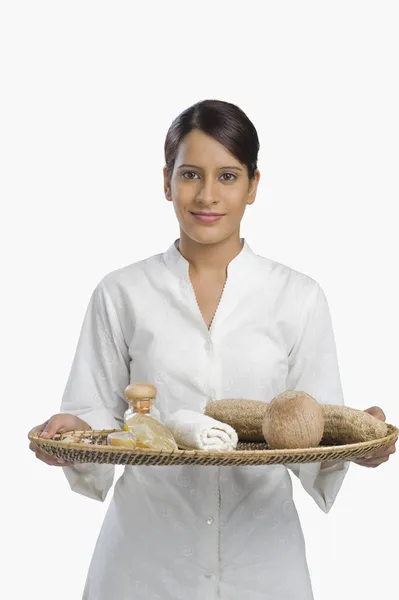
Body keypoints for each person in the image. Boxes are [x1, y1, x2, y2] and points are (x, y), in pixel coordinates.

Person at [29, 99, 396, 600]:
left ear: (253, 185)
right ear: (165, 181)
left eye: (227, 176)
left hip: (264, 565)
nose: (207, 195)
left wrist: (362, 445)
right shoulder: (122, 292)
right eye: (190, 174)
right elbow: (94, 414)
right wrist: (73, 430)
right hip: (143, 564)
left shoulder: (298, 297)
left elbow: (316, 428)